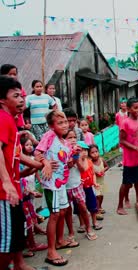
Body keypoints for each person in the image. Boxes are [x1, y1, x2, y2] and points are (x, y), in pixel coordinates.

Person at [0, 75, 48, 270]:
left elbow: (15, 155)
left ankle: (20, 265)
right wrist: (6, 182)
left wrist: (40, 165)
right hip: (4, 192)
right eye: (16, 95)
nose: (21, 100)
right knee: (6, 241)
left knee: (16, 232)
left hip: (13, 188)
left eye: (22, 96)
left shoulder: (10, 120)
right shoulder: (2, 119)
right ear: (2, 100)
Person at [35, 110, 77, 267]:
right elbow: (37, 152)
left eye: (65, 121)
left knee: (64, 211)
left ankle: (60, 241)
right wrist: (45, 163)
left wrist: (76, 154)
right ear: (52, 126)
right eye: (60, 123)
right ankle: (51, 251)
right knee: (54, 214)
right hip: (51, 183)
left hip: (61, 183)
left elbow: (68, 162)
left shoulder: (64, 142)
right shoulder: (50, 136)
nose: (65, 125)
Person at [63, 130, 97, 242]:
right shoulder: (62, 151)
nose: (72, 140)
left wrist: (77, 158)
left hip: (77, 185)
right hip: (65, 186)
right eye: (69, 137)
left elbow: (82, 169)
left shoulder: (79, 151)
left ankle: (88, 228)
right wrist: (72, 157)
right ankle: (71, 232)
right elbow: (66, 166)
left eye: (74, 137)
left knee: (83, 207)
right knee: (68, 210)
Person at [116, 97, 138, 216]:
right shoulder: (125, 123)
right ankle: (120, 206)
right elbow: (122, 141)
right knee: (127, 183)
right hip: (129, 160)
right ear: (129, 109)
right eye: (135, 108)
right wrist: (134, 148)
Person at [19, 136, 47, 258]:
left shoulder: (21, 159)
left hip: (26, 194)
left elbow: (28, 173)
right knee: (26, 222)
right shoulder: (18, 160)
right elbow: (20, 176)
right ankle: (30, 244)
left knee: (30, 218)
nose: (30, 146)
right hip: (22, 195)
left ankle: (30, 242)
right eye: (27, 145)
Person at [78, 142, 101, 231]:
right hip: (80, 188)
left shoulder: (89, 162)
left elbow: (93, 174)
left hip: (89, 187)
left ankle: (94, 222)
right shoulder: (76, 163)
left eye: (85, 150)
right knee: (79, 207)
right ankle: (82, 224)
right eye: (81, 151)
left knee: (92, 205)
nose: (84, 152)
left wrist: (94, 182)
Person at [0, 64, 27, 129]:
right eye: (10, 74)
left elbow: (23, 105)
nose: (12, 77)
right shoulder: (3, 119)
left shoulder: (19, 88)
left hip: (18, 122)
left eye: (15, 74)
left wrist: (17, 113)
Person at [89, 144, 108, 219]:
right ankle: (97, 212)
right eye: (92, 153)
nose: (95, 154)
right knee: (97, 196)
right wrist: (95, 173)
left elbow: (107, 166)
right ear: (89, 154)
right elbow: (88, 171)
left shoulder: (101, 159)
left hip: (102, 182)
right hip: (95, 183)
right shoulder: (90, 162)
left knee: (101, 195)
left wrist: (103, 170)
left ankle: (100, 206)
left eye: (96, 151)